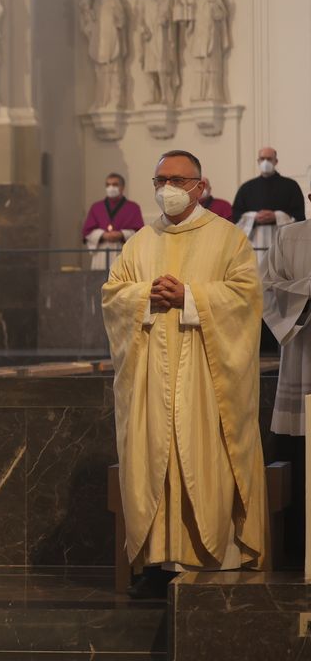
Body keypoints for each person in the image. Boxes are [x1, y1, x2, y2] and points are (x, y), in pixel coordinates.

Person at [102, 149, 267, 599]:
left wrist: (190, 297)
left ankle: (213, 557)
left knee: (203, 457)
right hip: (152, 379)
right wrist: (145, 296)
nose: (167, 189)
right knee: (157, 458)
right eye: (160, 181)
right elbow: (113, 296)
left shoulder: (229, 238)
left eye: (177, 180)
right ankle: (158, 563)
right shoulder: (139, 242)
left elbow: (248, 299)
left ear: (200, 185)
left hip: (207, 381)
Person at [261, 198, 311, 565]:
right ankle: (298, 546)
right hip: (302, 352)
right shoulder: (289, 237)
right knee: (299, 452)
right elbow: (266, 287)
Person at [233, 147, 306, 252]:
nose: (265, 162)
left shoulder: (290, 186)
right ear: (258, 161)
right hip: (254, 245)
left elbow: (299, 216)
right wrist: (254, 217)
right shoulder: (246, 188)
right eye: (262, 159)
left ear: (276, 161)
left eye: (269, 159)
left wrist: (276, 216)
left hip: (282, 243)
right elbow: (236, 214)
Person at [81, 173, 144, 271]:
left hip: (122, 250)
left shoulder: (133, 207)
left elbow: (140, 233)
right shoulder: (96, 207)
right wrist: (103, 235)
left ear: (122, 187)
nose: (111, 187)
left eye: (114, 184)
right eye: (108, 185)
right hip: (102, 251)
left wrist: (121, 234)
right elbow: (87, 231)